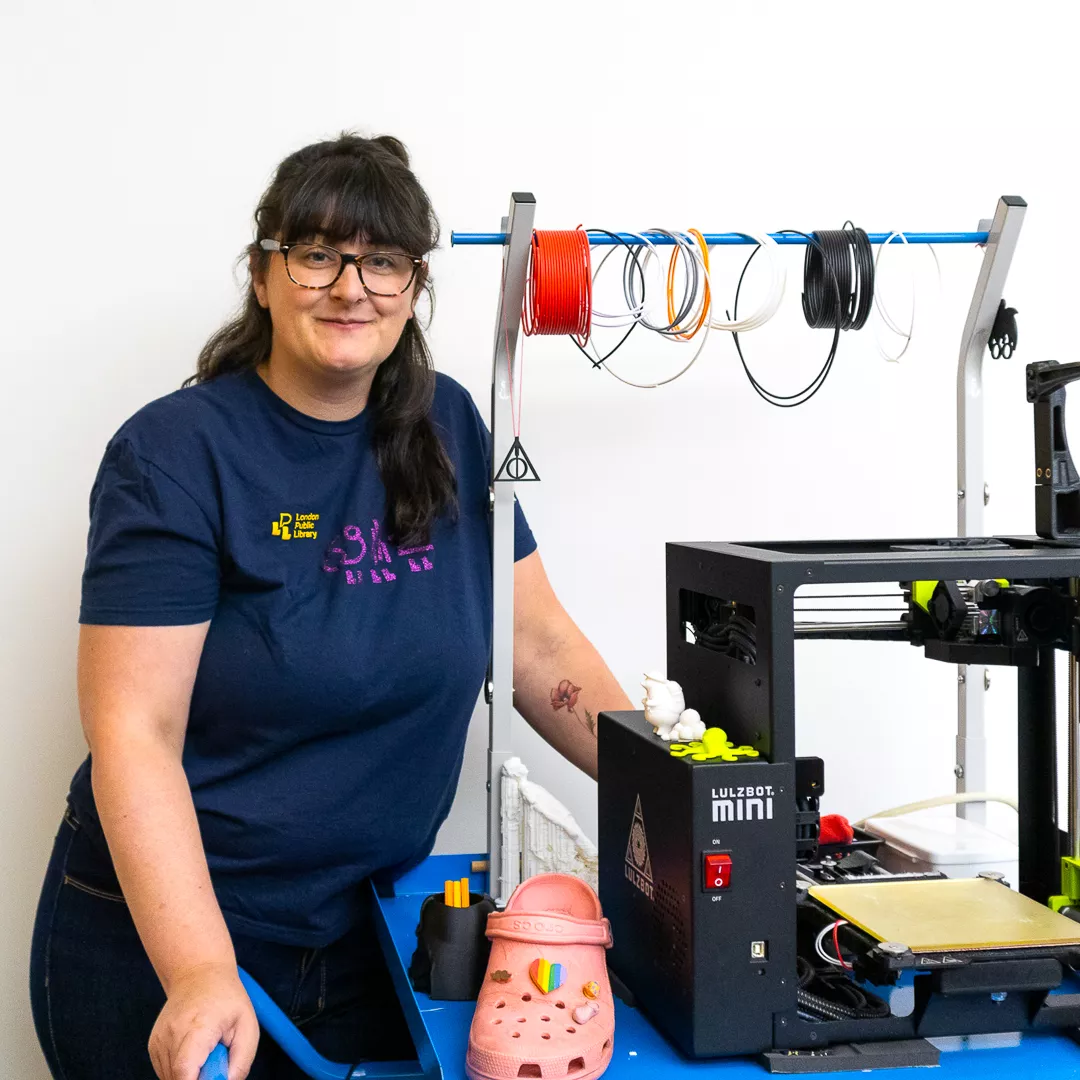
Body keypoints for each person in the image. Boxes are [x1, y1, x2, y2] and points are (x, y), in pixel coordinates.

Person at [29, 132, 632, 1080]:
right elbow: (134, 733)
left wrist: (688, 799)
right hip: (164, 947)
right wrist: (197, 970)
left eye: (383, 260)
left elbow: (535, 642)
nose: (352, 287)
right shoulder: (176, 456)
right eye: (317, 254)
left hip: (367, 942)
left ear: (414, 287)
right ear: (264, 276)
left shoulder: (452, 429)